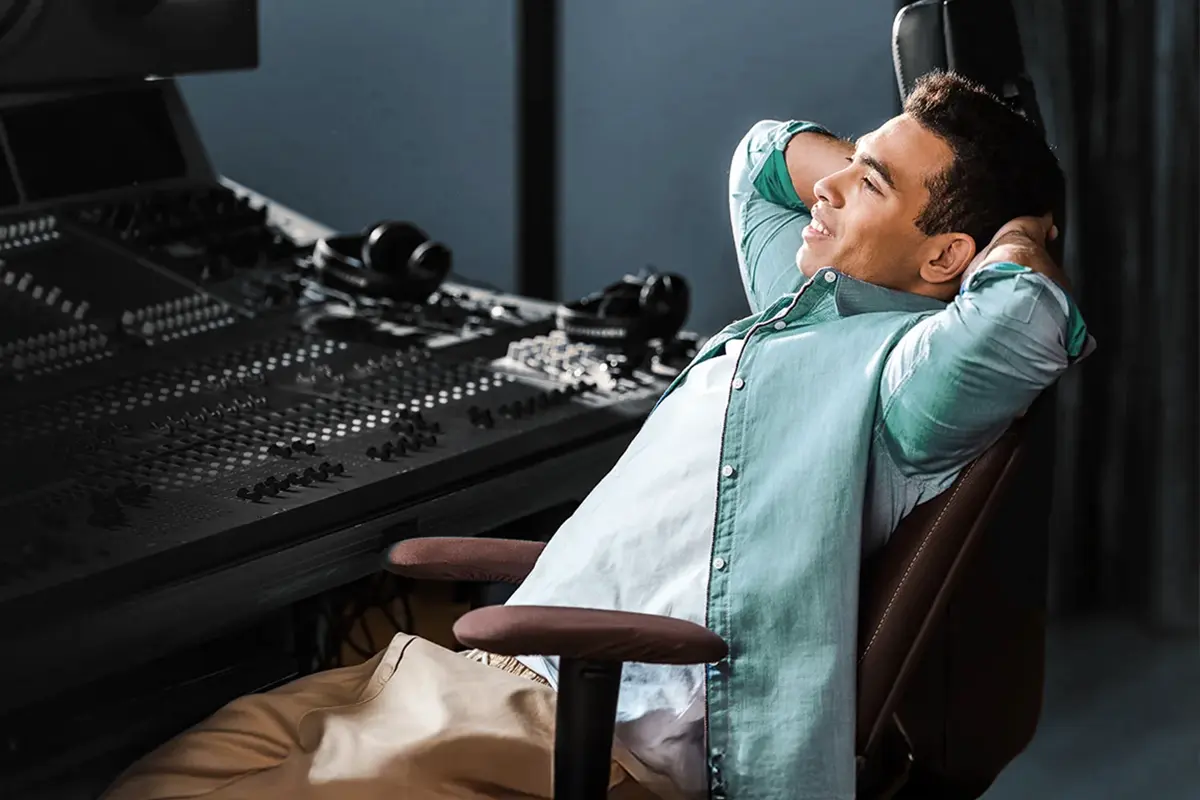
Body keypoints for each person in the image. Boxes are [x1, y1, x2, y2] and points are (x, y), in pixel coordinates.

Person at [102, 71, 1091, 800]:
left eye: (867, 184)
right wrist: (881, 170)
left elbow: (1027, 321)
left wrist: (1015, 235)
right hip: (468, 678)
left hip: (577, 738)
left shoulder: (905, 386)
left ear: (948, 256)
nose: (826, 189)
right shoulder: (806, 308)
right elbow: (762, 156)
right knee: (151, 777)